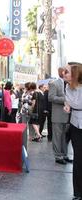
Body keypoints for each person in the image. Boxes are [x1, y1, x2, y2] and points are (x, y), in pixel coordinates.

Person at [63, 62, 82, 200]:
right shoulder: (68, 88)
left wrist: (68, 103)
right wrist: (67, 103)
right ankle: (78, 193)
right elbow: (72, 103)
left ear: (75, 74)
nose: (64, 73)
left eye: (67, 71)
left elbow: (76, 104)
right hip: (76, 125)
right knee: (78, 160)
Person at [48, 67, 71, 165]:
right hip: (58, 115)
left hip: (69, 115)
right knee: (57, 136)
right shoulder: (54, 83)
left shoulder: (70, 84)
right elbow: (51, 97)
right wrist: (65, 99)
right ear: (62, 72)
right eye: (68, 72)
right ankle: (58, 156)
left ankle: (64, 155)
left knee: (65, 137)